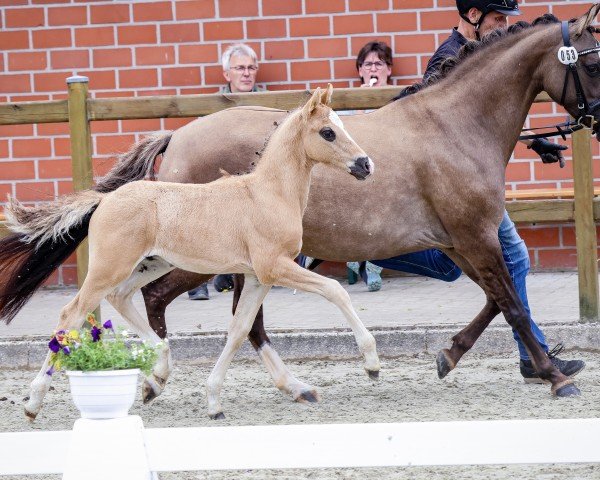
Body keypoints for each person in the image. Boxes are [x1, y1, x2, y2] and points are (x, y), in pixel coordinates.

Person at [367, 0, 583, 382]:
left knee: (473, 266)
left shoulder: (485, 54)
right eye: (498, 18)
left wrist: (534, 144)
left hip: (470, 186)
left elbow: (486, 123)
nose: (502, 26)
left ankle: (381, 254)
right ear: (472, 16)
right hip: (459, 189)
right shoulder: (448, 59)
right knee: (505, 260)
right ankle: (532, 355)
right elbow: (445, 135)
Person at [188, 43, 262, 300]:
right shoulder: (211, 108)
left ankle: (242, 271)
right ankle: (193, 278)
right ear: (226, 74)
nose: (246, 73)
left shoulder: (268, 104)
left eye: (251, 67)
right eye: (240, 68)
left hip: (256, 181)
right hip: (218, 182)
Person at [345, 41, 394, 292]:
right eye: (367, 64)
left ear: (388, 69)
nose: (373, 68)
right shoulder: (350, 102)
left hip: (391, 170)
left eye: (379, 63)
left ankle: (371, 263)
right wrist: (361, 106)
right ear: (360, 70)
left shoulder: (398, 100)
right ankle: (358, 260)